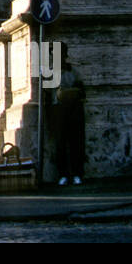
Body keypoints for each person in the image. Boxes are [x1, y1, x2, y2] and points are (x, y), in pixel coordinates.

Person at [52, 53, 85, 185]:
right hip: (58, 108)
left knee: (76, 142)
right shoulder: (51, 72)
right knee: (60, 143)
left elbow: (82, 90)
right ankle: (63, 174)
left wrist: (72, 92)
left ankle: (77, 173)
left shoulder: (74, 71)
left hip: (74, 108)